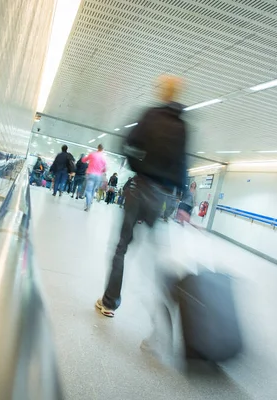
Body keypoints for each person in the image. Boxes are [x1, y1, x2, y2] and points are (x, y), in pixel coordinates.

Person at [96, 75, 188, 318]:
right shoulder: (182, 127)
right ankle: (169, 304)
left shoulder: (150, 116)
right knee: (157, 254)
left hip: (139, 188)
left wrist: (138, 163)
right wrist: (184, 201)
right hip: (161, 196)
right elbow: (182, 164)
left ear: (162, 92)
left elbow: (125, 144)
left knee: (122, 247)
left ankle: (109, 302)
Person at [82, 144, 107, 211]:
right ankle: (91, 201)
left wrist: (86, 159)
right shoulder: (104, 157)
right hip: (98, 176)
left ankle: (88, 205)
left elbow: (83, 160)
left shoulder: (92, 154)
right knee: (93, 190)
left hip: (91, 174)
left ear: (98, 148)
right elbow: (105, 169)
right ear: (102, 149)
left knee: (88, 191)